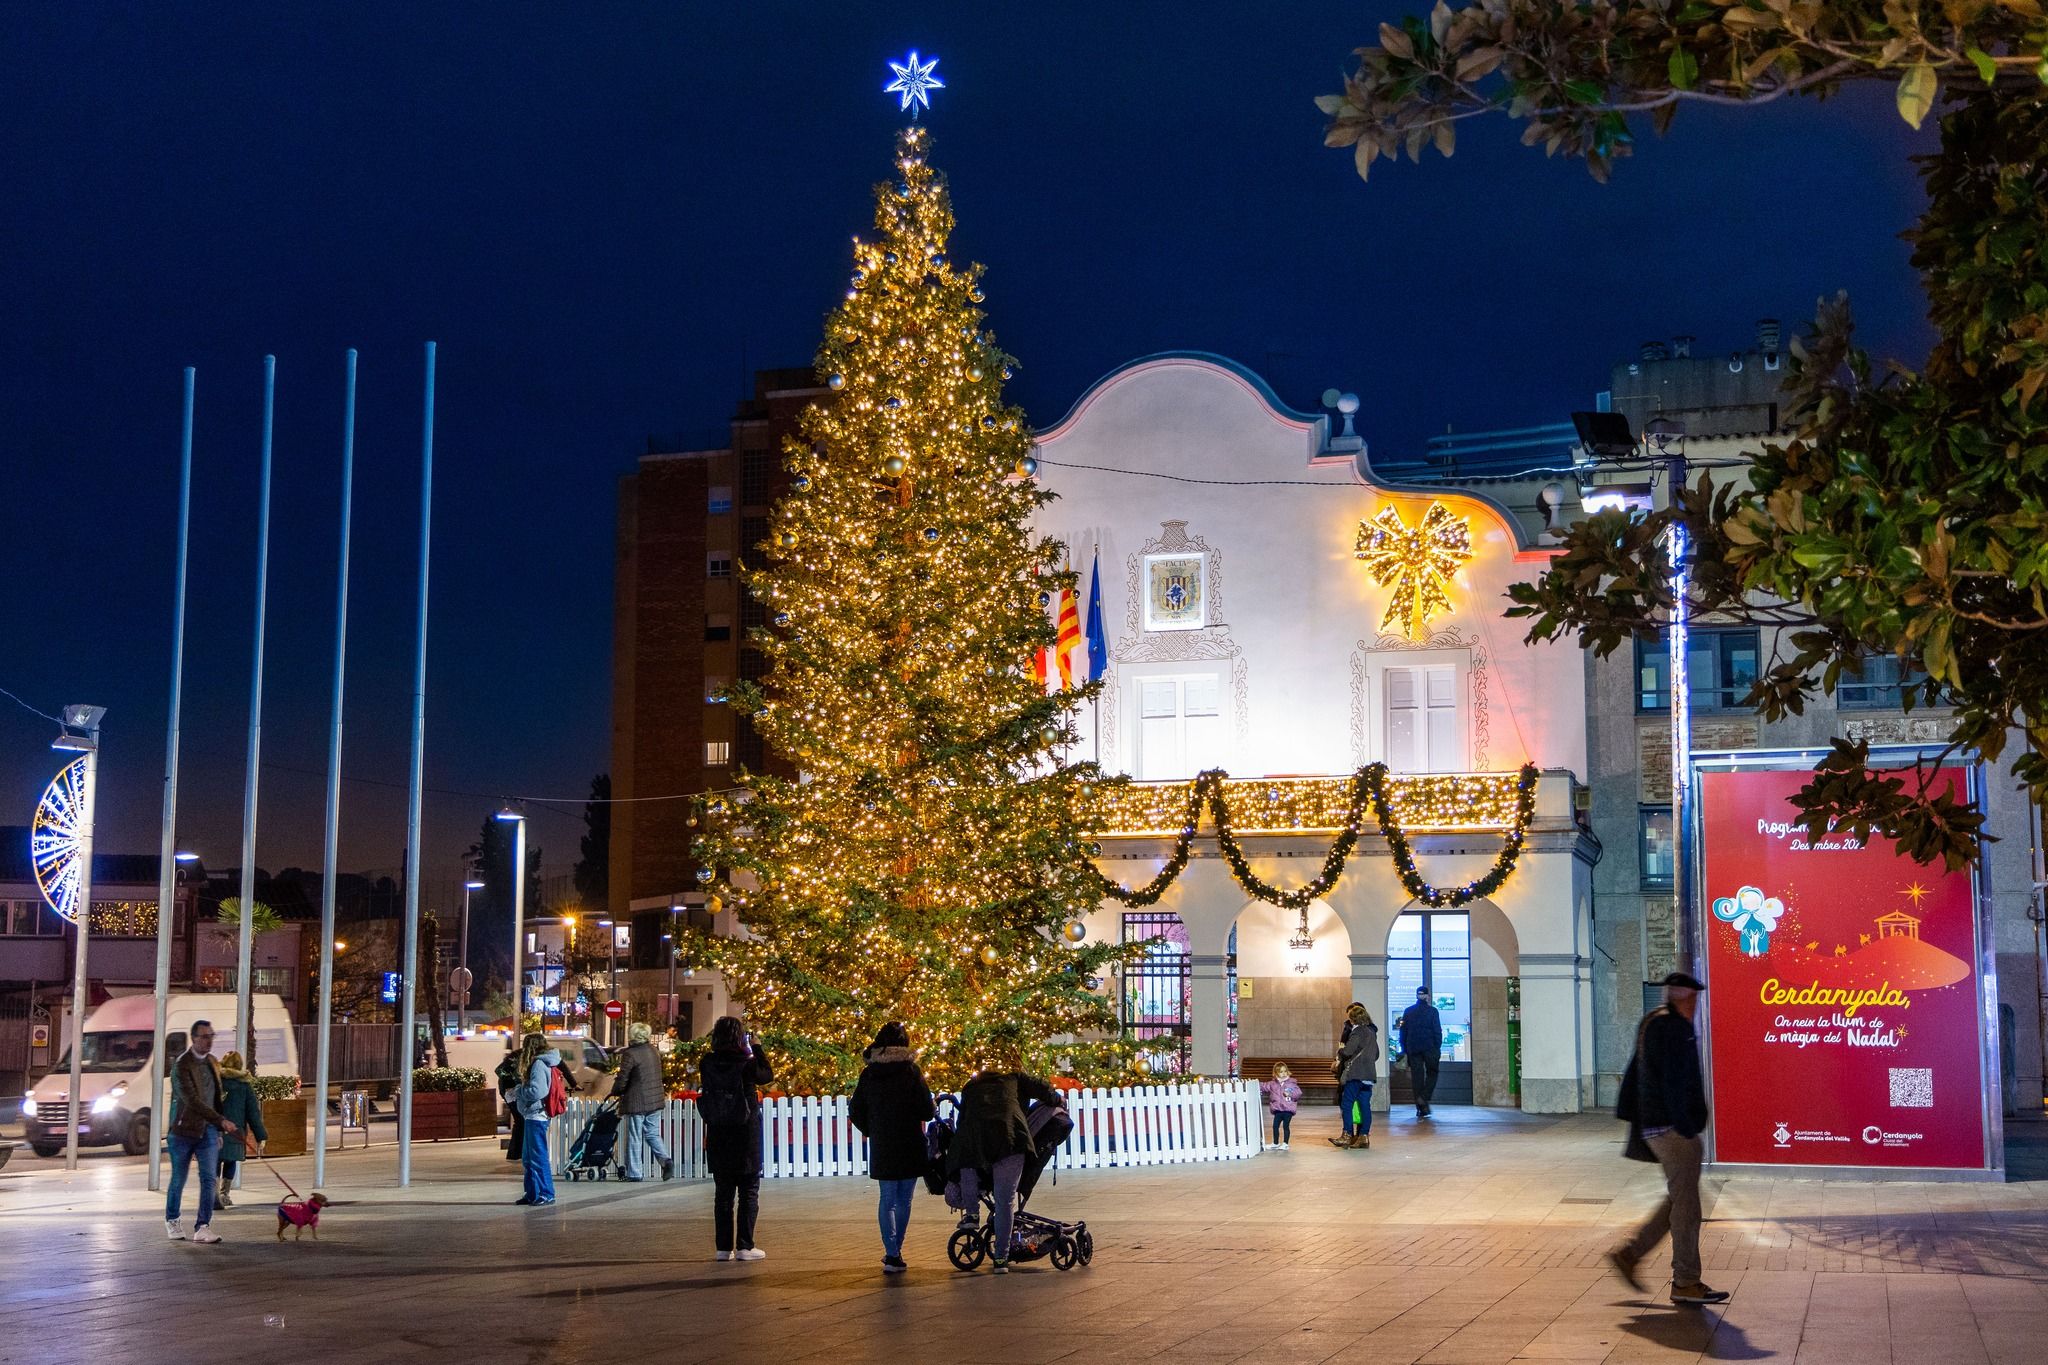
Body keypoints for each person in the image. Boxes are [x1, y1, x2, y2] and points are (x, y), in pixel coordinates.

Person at [1611, 972, 1730, 1306]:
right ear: (1683, 998)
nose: (1695, 1004)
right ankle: (1686, 1281)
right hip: (1669, 1129)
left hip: (1657, 1125)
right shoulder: (1673, 1028)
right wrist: (1686, 1126)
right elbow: (1674, 1082)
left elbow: (1640, 1074)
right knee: (1688, 1207)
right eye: (1693, 998)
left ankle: (1631, 1254)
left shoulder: (1653, 1021)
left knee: (1680, 1198)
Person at [948, 1026, 1059, 1274]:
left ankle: (971, 1216)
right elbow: (1047, 1092)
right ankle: (1001, 1259)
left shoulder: (971, 1085)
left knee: (968, 1164)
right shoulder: (1016, 1077)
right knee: (1005, 1200)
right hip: (1009, 1138)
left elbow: (962, 1120)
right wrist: (1055, 1100)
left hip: (974, 1139)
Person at [848, 1021, 936, 1273]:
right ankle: (897, 1248)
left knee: (886, 1198)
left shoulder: (870, 1074)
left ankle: (891, 1251)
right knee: (904, 1199)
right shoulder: (911, 1071)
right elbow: (927, 1110)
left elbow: (855, 1109)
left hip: (883, 1143)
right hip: (909, 1141)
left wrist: (872, 1129)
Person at [700, 1014, 774, 1261]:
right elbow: (766, 1075)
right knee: (748, 1189)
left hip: (719, 1131)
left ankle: (723, 1248)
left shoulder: (707, 1063)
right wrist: (757, 1047)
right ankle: (745, 1245)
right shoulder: (746, 1063)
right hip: (745, 1132)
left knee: (723, 1193)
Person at [165, 1018, 239, 1244]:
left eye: (211, 1036)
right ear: (194, 1038)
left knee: (209, 1178)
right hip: (183, 1131)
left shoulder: (213, 1063)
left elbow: (216, 1098)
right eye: (205, 1036)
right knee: (179, 1177)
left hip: (207, 1131)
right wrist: (221, 1120)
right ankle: (172, 1219)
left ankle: (203, 1226)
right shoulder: (181, 1065)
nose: (209, 1041)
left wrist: (217, 1129)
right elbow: (191, 1100)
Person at [611, 1021, 674, 1182]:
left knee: (635, 1136)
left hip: (637, 1101)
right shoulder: (653, 1051)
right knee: (652, 1133)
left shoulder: (630, 1054)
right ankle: (665, 1160)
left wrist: (616, 1090)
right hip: (655, 1099)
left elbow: (623, 1077)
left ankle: (635, 1173)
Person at [510, 1032, 561, 1207]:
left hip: (536, 1115)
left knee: (538, 1156)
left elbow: (538, 1091)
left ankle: (546, 1193)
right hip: (534, 1115)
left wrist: (520, 1090)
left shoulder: (539, 1064)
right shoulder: (544, 1062)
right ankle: (532, 1193)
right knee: (528, 1157)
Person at [214, 1051, 268, 1209]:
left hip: (216, 1131)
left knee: (215, 1162)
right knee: (231, 1162)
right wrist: (261, 1136)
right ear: (239, 1065)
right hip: (236, 1133)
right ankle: (225, 1194)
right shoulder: (244, 1086)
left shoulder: (215, 1082)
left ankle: (214, 1194)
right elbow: (253, 1114)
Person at [1331, 1003, 1379, 1150]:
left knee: (1347, 1104)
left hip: (1355, 1074)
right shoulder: (1371, 1032)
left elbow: (1348, 1051)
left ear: (1353, 1020)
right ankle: (1364, 1136)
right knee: (1365, 1106)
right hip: (1369, 1076)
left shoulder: (1357, 1032)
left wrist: (1340, 1051)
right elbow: (1376, 1054)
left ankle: (1347, 1135)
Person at [1398, 985, 1444, 1119]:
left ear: (1417, 995)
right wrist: (1437, 1047)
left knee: (1417, 1077)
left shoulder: (1408, 1011)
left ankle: (1420, 1108)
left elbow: (1403, 1032)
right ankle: (1424, 1098)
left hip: (1413, 1049)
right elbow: (1437, 1031)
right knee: (1433, 1073)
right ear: (1427, 996)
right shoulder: (1433, 1011)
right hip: (1430, 1048)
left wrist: (1404, 1048)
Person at [1262, 1064, 1301, 1149]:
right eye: (1281, 1072)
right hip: (1278, 1110)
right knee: (1275, 1126)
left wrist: (1290, 1094)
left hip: (1288, 1109)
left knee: (1285, 1126)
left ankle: (1285, 1143)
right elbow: (1263, 1086)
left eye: (1285, 1071)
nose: (1283, 1073)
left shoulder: (1292, 1083)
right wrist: (1255, 1084)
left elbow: (1298, 1093)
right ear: (1276, 1073)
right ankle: (1275, 1143)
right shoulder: (1272, 1084)